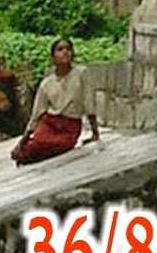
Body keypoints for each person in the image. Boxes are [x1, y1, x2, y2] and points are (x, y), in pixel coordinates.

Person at [11, 37, 100, 165]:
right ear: (53, 57)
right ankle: (25, 151)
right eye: (60, 49)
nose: (65, 52)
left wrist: (95, 133)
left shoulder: (81, 73)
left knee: (59, 146)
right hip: (50, 123)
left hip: (70, 126)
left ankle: (27, 154)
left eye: (68, 49)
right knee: (37, 144)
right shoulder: (47, 83)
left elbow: (89, 102)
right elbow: (37, 114)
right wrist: (21, 142)